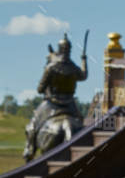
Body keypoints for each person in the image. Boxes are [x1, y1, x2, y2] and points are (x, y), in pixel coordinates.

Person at [24, 32, 87, 160]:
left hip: (52, 103)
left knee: (33, 124)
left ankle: (29, 149)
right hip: (70, 104)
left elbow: (40, 89)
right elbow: (84, 76)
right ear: (69, 50)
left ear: (59, 50)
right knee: (80, 121)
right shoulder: (73, 67)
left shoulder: (51, 67)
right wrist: (84, 60)